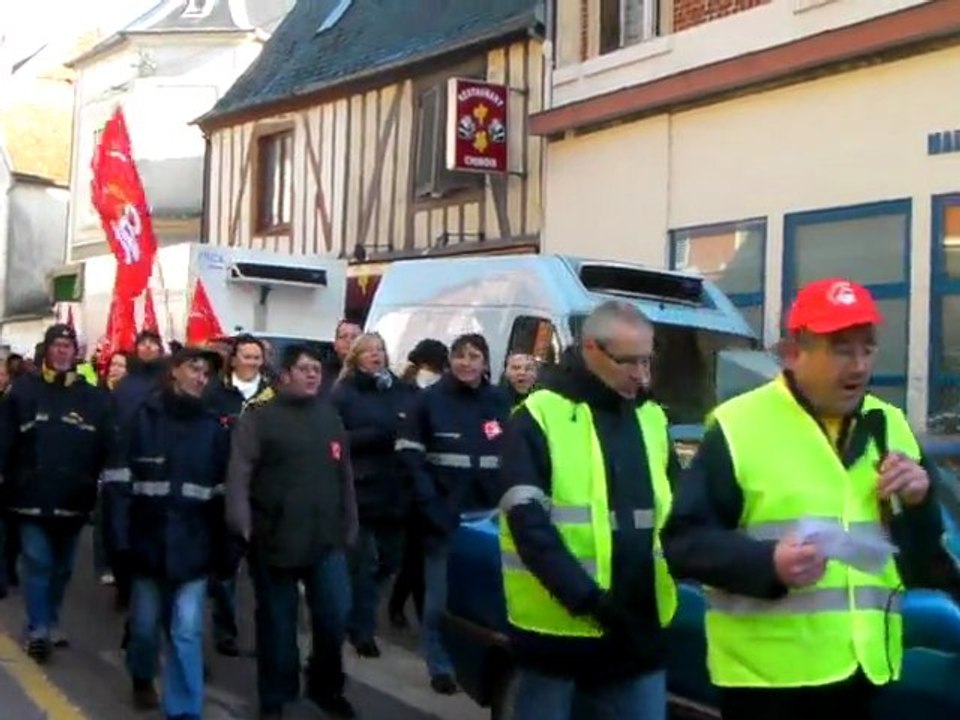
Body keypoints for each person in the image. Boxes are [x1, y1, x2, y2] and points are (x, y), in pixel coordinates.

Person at [661, 278, 947, 720]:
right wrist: (768, 563)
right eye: (840, 348)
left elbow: (919, 557)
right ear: (794, 352)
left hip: (862, 672)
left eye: (867, 349)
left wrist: (920, 500)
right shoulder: (740, 426)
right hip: (769, 682)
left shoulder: (889, 424)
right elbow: (682, 544)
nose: (858, 366)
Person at [497, 301, 679, 720]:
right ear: (592, 349)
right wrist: (588, 600)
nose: (641, 374)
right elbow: (528, 526)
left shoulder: (651, 417)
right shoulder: (539, 416)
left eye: (647, 360)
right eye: (629, 361)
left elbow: (678, 511)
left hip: (640, 628)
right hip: (559, 634)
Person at [226, 343, 358, 720]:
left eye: (317, 369)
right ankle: (276, 696)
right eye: (304, 369)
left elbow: (344, 475)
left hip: (325, 538)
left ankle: (325, 685)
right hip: (274, 538)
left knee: (335, 616)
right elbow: (240, 473)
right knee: (278, 627)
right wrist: (243, 524)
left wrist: (350, 524)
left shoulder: (329, 417)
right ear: (284, 375)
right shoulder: (259, 417)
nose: (313, 374)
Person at [102, 346, 231, 719]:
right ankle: (142, 676)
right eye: (194, 368)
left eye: (206, 373)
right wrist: (120, 542)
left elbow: (221, 493)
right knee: (143, 628)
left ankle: (184, 710)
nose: (200, 377)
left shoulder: (212, 428)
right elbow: (118, 483)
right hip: (147, 545)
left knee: (187, 631)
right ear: (174, 371)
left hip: (194, 549)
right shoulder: (142, 419)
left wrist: (224, 548)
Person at [396, 333, 509, 694]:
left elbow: (513, 453)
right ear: (450, 362)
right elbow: (410, 457)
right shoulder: (429, 401)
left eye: (474, 356)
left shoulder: (499, 401)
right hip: (445, 518)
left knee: (482, 603)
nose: (466, 363)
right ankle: (440, 665)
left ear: (486, 363)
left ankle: (472, 661)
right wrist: (432, 505)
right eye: (460, 356)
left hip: (489, 519)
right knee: (439, 602)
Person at [0, 324, 114, 662]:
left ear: (75, 353)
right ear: (47, 350)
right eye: (57, 345)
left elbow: (108, 444)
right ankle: (37, 629)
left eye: (68, 346)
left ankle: (51, 619)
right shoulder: (22, 392)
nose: (63, 351)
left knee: (62, 568)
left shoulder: (93, 398)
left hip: (73, 499)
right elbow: (4, 440)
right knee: (38, 562)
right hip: (29, 498)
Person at [331, 333, 414, 658]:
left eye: (380, 350)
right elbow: (336, 440)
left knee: (389, 562)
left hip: (394, 490)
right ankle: (362, 630)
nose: (376, 356)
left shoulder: (400, 390)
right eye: (369, 352)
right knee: (365, 564)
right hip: (360, 491)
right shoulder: (344, 393)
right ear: (356, 357)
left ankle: (354, 608)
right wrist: (378, 436)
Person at [205, 334, 274, 658]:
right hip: (223, 494)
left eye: (257, 357)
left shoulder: (274, 396)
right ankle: (225, 631)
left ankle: (268, 634)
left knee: (265, 573)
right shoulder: (215, 395)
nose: (252, 362)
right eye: (246, 356)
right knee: (225, 572)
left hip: (262, 495)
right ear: (233, 360)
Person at [388, 338, 449, 629]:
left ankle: (417, 611)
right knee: (414, 556)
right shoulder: (406, 392)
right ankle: (401, 606)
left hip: (435, 482)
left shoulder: (443, 394)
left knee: (423, 556)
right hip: (410, 484)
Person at [321, 319, 362, 396]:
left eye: (354, 337)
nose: (348, 340)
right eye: (343, 336)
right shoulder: (322, 375)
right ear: (335, 344)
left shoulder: (372, 374)